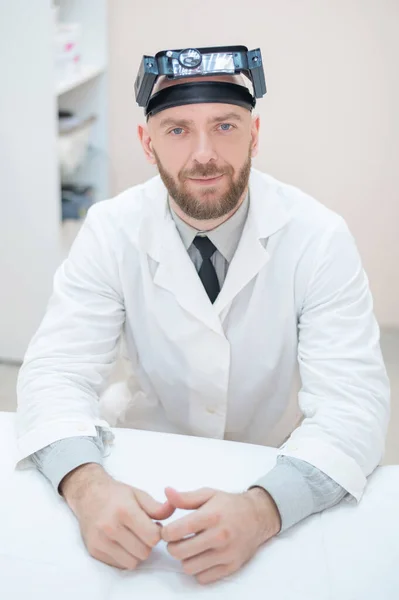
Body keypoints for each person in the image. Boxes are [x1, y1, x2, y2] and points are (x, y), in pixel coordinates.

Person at [16, 45, 390, 586]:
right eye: (176, 130)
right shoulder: (111, 229)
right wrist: (87, 485)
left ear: (255, 134)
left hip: (271, 462)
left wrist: (265, 510)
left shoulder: (319, 238)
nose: (204, 154)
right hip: (140, 461)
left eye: (225, 126)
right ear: (147, 143)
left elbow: (353, 406)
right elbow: (55, 372)